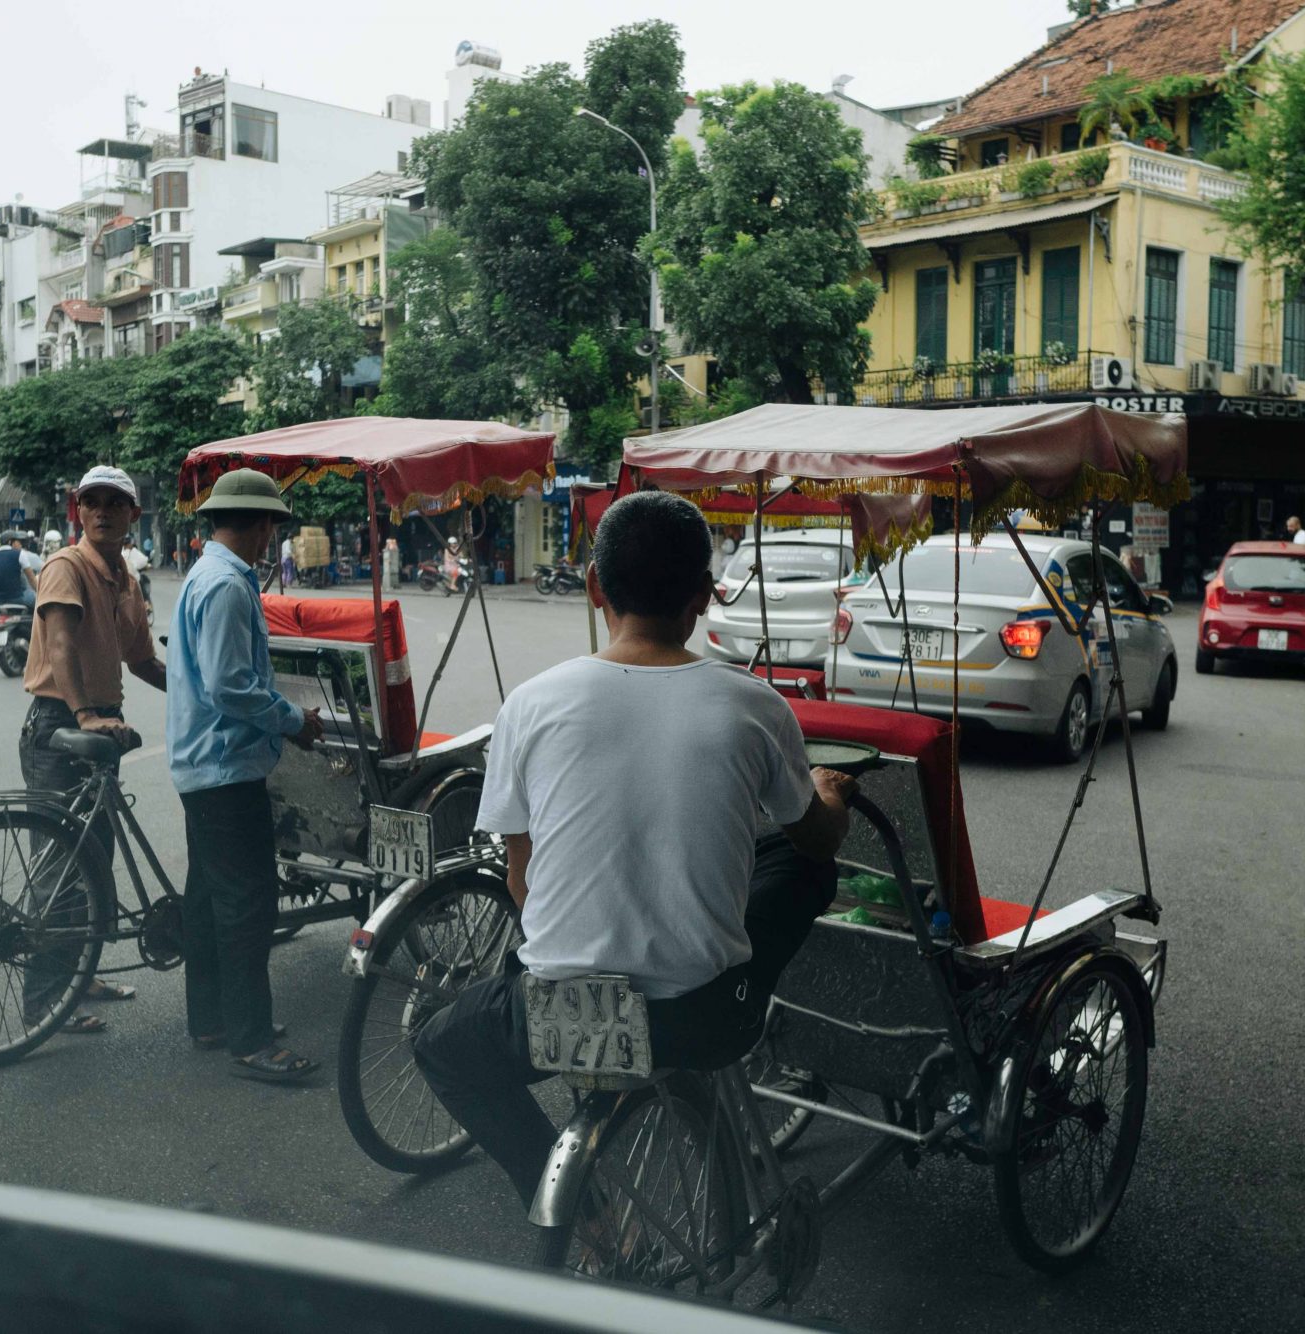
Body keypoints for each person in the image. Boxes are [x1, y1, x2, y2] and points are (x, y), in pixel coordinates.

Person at [413, 491, 856, 1207]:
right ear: (706, 598)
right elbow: (818, 837)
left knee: (442, 1048)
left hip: (559, 1011)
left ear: (596, 587)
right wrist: (829, 795)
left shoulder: (529, 703)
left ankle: (574, 1212)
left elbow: (524, 881)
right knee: (802, 863)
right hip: (704, 1018)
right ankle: (747, 1008)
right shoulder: (754, 706)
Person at [168, 469, 325, 1082]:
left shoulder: (206, 575)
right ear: (261, 524)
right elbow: (231, 685)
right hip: (225, 767)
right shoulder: (228, 586)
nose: (270, 540)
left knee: (209, 900)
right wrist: (292, 721)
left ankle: (213, 1018)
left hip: (203, 764)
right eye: (270, 527)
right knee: (246, 906)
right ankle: (253, 1040)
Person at [18, 465, 167, 1034]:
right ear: (77, 510)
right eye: (92, 502)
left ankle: (80, 972)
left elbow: (142, 661)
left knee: (94, 864)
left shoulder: (125, 577)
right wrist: (85, 714)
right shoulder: (66, 566)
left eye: (116, 503)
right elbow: (59, 645)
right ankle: (43, 1000)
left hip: (102, 727)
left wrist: (197, 694)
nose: (103, 511)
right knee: (59, 869)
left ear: (134, 514)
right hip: (62, 724)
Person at [0, 534, 40, 609]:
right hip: (17, 598)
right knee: (39, 601)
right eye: (18, 542)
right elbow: (32, 579)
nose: (20, 544)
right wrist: (40, 592)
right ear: (10, 542)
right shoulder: (20, 554)